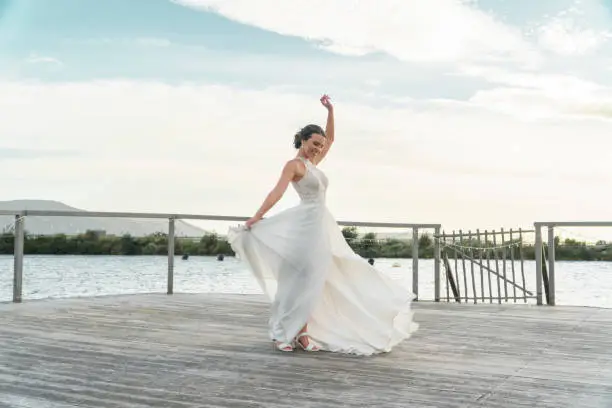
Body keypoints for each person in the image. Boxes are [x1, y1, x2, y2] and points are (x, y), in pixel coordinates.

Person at [227, 95, 418, 355]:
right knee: (300, 280)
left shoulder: (313, 164)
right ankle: (287, 332)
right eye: (314, 144)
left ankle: (303, 333)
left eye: (320, 145)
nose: (318, 148)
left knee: (316, 280)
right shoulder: (294, 165)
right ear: (303, 140)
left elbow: (332, 139)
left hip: (321, 226)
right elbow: (277, 192)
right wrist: (257, 216)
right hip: (304, 227)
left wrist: (331, 110)